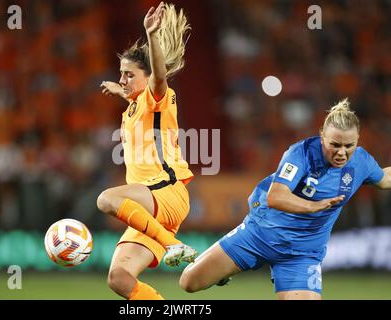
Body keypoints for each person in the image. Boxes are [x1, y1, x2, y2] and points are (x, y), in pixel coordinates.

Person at [179, 98, 391, 300]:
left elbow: (384, 179)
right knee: (189, 282)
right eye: (335, 145)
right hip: (258, 235)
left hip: (301, 255)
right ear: (321, 137)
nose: (342, 153)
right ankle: (226, 271)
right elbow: (276, 197)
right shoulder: (301, 153)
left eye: (349, 146)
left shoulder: (362, 162)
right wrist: (312, 206)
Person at [97, 2, 196, 300]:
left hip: (165, 193)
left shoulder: (158, 97)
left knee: (107, 199)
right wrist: (122, 91)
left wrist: (151, 36)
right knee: (119, 278)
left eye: (129, 75)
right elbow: (137, 103)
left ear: (147, 75)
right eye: (121, 74)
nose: (123, 80)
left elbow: (158, 78)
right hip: (152, 212)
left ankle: (173, 246)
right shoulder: (135, 107)